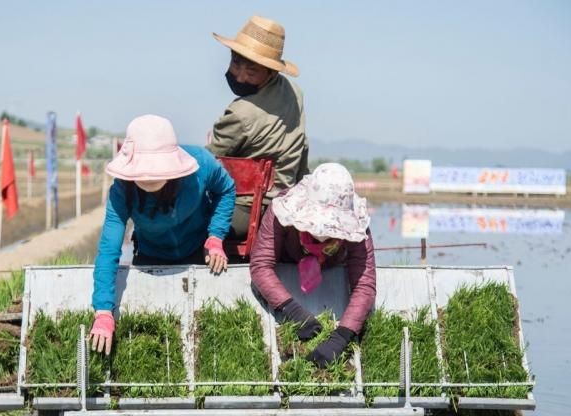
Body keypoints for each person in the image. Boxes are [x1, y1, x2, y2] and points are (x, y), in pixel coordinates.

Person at [89, 115, 236, 355]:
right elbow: (109, 249)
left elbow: (227, 190)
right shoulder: (122, 191)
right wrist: (103, 311)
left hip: (198, 251)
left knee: (205, 332)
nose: (149, 181)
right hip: (151, 257)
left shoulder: (200, 165)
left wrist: (216, 236)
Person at [249, 163, 376, 367]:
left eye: (332, 232)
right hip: (289, 269)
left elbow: (365, 285)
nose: (324, 235)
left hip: (330, 270)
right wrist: (293, 311)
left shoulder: (359, 230)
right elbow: (260, 265)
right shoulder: (281, 211)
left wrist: (342, 335)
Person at [207, 15, 309, 239]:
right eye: (235, 64)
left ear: (271, 71)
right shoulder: (294, 93)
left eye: (251, 72)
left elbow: (207, 166)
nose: (240, 77)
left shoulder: (240, 113)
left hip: (244, 213)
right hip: (285, 207)